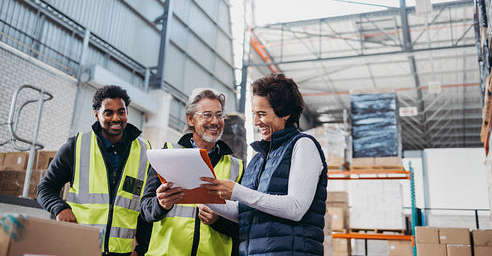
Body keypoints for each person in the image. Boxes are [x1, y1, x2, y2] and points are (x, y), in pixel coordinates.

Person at [200, 73, 328, 255]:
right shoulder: (259, 158)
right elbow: (244, 212)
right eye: (254, 114)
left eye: (262, 114)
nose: (256, 122)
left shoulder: (303, 146)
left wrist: (236, 191)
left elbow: (296, 208)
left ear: (285, 113)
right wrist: (199, 195)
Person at [37, 85, 152, 256]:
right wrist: (60, 208)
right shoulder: (76, 146)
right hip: (79, 248)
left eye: (121, 112)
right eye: (108, 113)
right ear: (97, 115)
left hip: (122, 252)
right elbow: (45, 188)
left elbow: (145, 205)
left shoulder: (145, 151)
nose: (116, 118)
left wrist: (141, 249)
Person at [140, 88, 244, 256]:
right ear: (190, 119)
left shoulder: (237, 168)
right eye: (207, 115)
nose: (215, 121)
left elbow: (245, 225)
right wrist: (161, 205)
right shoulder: (167, 155)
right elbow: (145, 211)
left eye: (219, 115)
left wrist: (219, 221)